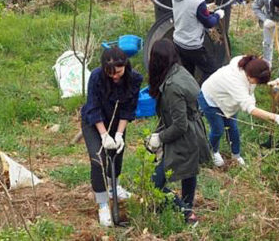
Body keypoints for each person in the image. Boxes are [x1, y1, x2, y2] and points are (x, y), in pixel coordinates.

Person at [147, 39, 211, 224]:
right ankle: (186, 204)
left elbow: (180, 125)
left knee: (154, 183)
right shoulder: (180, 71)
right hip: (194, 132)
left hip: (185, 136)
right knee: (189, 171)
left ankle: (186, 212)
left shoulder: (172, 87)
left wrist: (160, 138)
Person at [81, 47, 143, 227]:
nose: (114, 76)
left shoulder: (134, 79)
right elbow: (92, 107)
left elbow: (128, 108)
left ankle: (114, 187)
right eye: (110, 73)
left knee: (117, 155)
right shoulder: (96, 77)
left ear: (125, 65)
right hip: (94, 123)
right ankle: (102, 203)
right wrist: (103, 135)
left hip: (117, 122)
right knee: (98, 159)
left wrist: (118, 134)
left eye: (118, 72)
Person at [198, 55, 279, 167]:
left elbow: (250, 89)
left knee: (233, 128)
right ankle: (213, 151)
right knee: (218, 129)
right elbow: (250, 109)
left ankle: (236, 155)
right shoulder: (234, 80)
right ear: (250, 76)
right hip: (210, 99)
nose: (255, 84)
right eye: (256, 81)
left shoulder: (249, 66)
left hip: (227, 99)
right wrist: (275, 117)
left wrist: (277, 82)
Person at [172, 0, 225, 83]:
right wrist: (218, 15)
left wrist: (204, 9)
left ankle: (189, 93)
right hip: (192, 45)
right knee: (211, 70)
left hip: (178, 41)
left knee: (188, 72)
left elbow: (188, 9)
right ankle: (200, 92)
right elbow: (209, 23)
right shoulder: (197, 2)